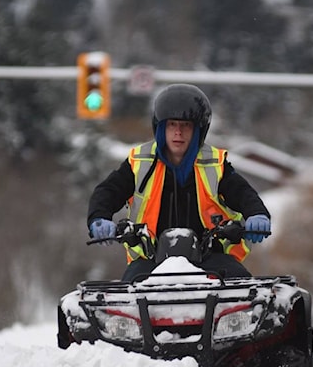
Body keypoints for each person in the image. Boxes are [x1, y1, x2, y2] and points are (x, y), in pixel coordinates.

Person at [87, 83, 272, 282]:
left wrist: (257, 214)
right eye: (172, 124)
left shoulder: (216, 163)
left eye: (186, 125)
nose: (178, 132)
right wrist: (99, 218)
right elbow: (109, 190)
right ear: (160, 127)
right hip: (151, 260)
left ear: (199, 130)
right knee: (129, 295)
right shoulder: (139, 161)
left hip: (211, 259)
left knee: (243, 290)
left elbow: (243, 193)